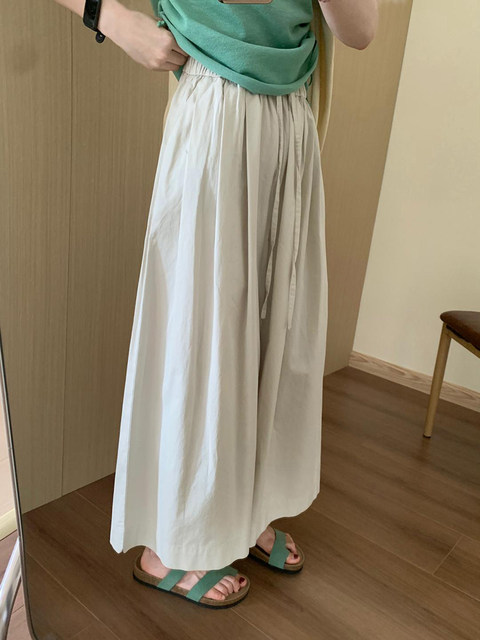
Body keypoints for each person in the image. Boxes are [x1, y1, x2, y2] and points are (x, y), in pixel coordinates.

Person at [54, 0, 378, 609]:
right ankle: (170, 546)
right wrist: (111, 19)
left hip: (292, 112)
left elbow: (359, 31)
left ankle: (242, 511)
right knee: (203, 332)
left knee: (274, 330)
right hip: (215, 103)